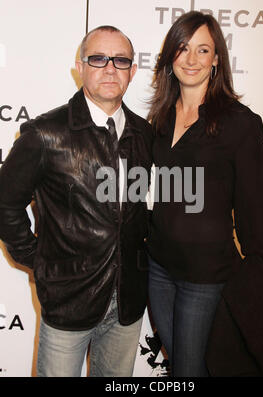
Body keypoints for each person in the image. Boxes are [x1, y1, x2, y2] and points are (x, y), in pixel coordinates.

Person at [0, 25, 153, 377]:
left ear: (132, 70)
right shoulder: (45, 134)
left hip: (128, 302)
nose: (110, 68)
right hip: (68, 300)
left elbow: (142, 208)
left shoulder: (143, 133)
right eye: (98, 59)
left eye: (121, 60)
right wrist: (40, 261)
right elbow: (5, 205)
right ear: (80, 67)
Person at [146, 11, 263, 377]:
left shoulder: (240, 123)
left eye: (203, 50)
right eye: (183, 48)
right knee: (184, 365)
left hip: (205, 275)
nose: (192, 60)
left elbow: (253, 206)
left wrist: (260, 274)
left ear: (217, 58)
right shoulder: (160, 118)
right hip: (158, 267)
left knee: (191, 370)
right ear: (171, 55)